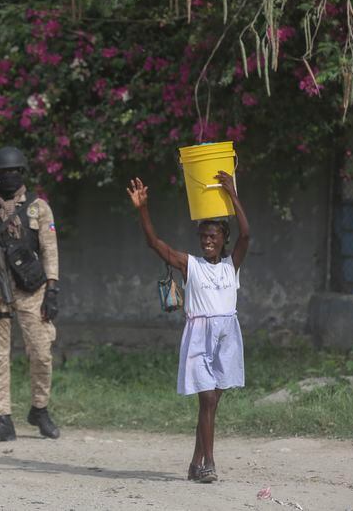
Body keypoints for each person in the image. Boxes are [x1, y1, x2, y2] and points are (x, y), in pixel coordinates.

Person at [127, 171, 250, 483]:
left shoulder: (230, 265)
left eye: (213, 236)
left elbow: (246, 234)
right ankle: (208, 463)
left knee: (211, 404)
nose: (207, 241)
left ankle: (195, 464)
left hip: (227, 336)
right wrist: (142, 209)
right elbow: (154, 243)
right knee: (207, 400)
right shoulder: (189, 264)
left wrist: (232, 194)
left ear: (224, 239)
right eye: (203, 236)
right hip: (199, 336)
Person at [0, 146, 61, 442]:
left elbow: (50, 249)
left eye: (14, 171)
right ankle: (3, 419)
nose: (9, 176)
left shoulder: (38, 207)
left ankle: (39, 409)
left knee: (42, 352)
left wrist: (52, 289)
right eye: (3, 172)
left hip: (32, 289)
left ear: (22, 173)